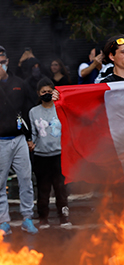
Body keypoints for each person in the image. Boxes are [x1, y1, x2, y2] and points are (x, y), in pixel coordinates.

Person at [0, 45, 38, 234]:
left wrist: (30, 136)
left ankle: (27, 218)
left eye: (2, 62)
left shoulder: (19, 83)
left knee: (25, 179)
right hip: (0, 141)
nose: (0, 66)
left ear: (7, 61)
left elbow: (28, 109)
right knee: (0, 182)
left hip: (19, 139)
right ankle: (3, 221)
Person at [28, 78, 69, 228]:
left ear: (54, 92)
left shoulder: (61, 107)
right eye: (43, 91)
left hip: (59, 155)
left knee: (61, 189)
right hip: (41, 156)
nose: (46, 94)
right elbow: (33, 133)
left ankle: (64, 217)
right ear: (38, 93)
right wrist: (31, 143)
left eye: (49, 91)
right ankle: (43, 218)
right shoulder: (33, 112)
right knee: (43, 189)